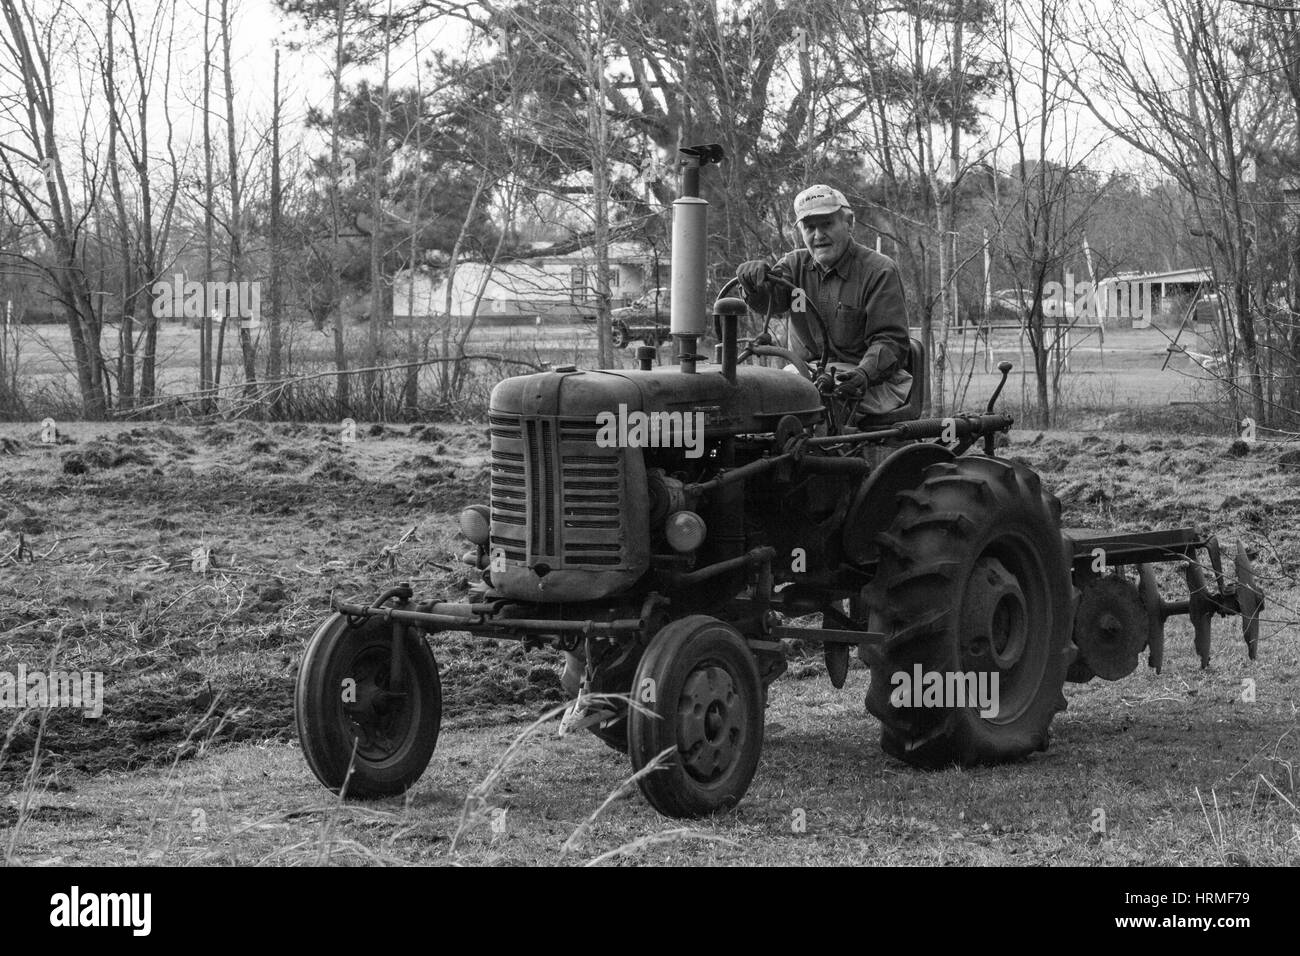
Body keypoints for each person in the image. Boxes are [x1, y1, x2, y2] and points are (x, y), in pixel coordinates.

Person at [736, 184, 913, 416]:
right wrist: (753, 283)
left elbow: (891, 342)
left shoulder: (879, 271)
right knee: (756, 397)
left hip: (870, 382)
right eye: (809, 227)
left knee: (814, 407)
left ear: (849, 223)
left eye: (827, 224)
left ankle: (811, 451)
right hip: (806, 374)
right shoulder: (793, 266)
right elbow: (771, 300)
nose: (818, 236)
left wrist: (864, 373)